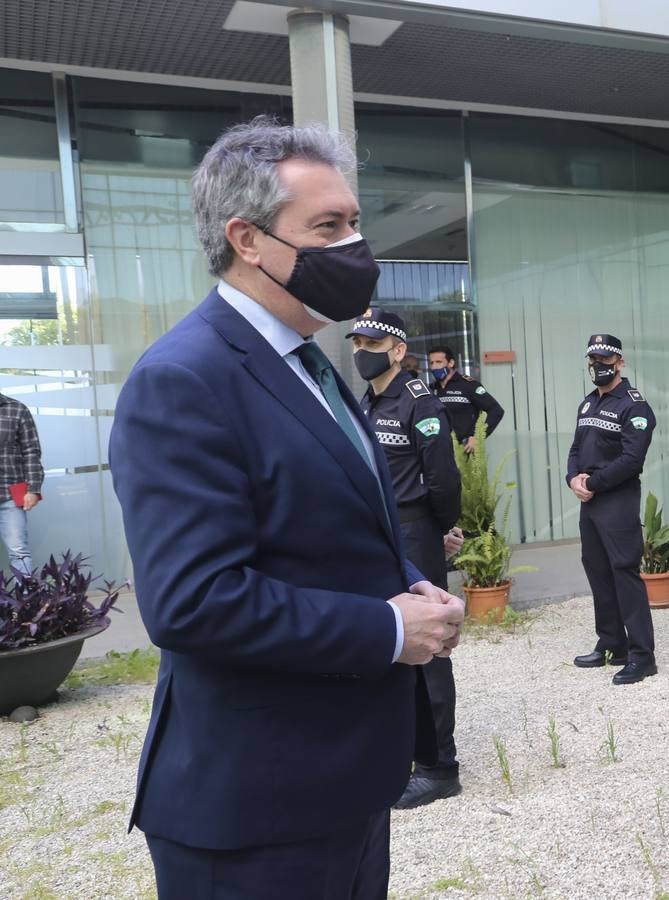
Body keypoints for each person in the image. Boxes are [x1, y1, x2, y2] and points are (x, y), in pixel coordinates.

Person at [107, 117, 465, 898]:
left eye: (356, 223)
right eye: (328, 227)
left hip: (344, 786)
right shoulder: (185, 378)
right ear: (247, 238)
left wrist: (408, 583)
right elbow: (191, 600)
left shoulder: (309, 360)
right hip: (256, 812)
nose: (354, 248)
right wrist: (386, 628)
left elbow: (333, 521)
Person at [348, 307, 466, 809]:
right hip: (377, 533)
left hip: (416, 530)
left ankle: (440, 766)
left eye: (371, 347)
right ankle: (401, 752)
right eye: (357, 345)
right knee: (389, 642)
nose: (361, 355)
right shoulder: (361, 404)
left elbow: (443, 478)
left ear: (397, 351)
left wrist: (441, 528)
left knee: (430, 647)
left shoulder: (420, 402)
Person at [567, 333, 659, 685]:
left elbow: (632, 460)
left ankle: (641, 656)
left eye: (606, 361)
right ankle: (611, 646)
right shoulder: (588, 403)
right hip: (589, 501)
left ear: (620, 362)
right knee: (598, 572)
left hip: (616, 500)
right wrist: (573, 477)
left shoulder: (635, 406)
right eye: (594, 361)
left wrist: (593, 483)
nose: (599, 367)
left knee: (623, 573)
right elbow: (576, 447)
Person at [428, 346, 504, 452]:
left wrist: (477, 437)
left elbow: (496, 410)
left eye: (438, 362)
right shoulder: (430, 389)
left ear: (451, 363)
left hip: (465, 452)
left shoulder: (469, 385)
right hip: (439, 452)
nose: (434, 367)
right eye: (431, 363)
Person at [0, 392, 43, 576]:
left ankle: (24, 602)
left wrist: (33, 489)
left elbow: (31, 451)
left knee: (19, 551)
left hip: (9, 493)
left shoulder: (17, 409)